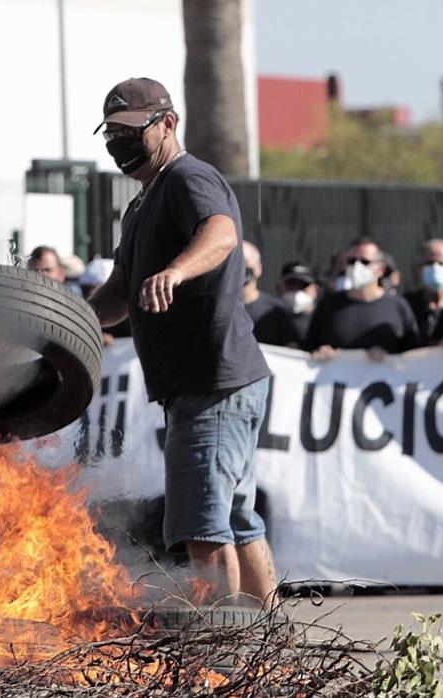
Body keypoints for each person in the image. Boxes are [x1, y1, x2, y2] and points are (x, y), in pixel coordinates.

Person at [84, 77, 276, 608]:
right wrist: (69, 320)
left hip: (212, 381)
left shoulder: (189, 178)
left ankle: (228, 657)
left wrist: (176, 271)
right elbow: (120, 291)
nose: (119, 144)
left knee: (203, 522)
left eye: (131, 131)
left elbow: (220, 234)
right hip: (212, 383)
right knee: (237, 516)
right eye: (111, 134)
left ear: (168, 123)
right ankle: (270, 642)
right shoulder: (141, 204)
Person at [305, 238, 420, 360]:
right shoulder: (328, 305)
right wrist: (320, 352)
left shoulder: (398, 305)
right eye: (352, 261)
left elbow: (415, 355)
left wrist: (388, 356)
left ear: (380, 270)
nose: (356, 266)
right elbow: (308, 348)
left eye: (364, 262)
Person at [241, 241, 299, 347]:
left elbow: (292, 348)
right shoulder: (218, 308)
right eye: (234, 262)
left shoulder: (276, 310)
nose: (239, 267)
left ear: (258, 268)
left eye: (244, 261)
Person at [403, 238, 443, 340]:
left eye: (441, 263)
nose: (435, 268)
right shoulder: (406, 305)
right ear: (420, 268)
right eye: (429, 263)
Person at [276, 261, 318, 348]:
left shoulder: (324, 321)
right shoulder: (268, 319)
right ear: (279, 288)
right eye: (291, 285)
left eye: (303, 286)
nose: (297, 291)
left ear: (315, 290)